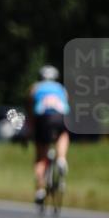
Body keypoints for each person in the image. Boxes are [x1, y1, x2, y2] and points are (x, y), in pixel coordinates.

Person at [28, 64, 70, 207]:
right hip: (60, 117)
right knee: (63, 134)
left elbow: (31, 109)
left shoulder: (35, 88)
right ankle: (61, 159)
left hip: (43, 119)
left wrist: (31, 128)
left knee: (41, 157)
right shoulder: (61, 88)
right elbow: (66, 103)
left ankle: (40, 190)